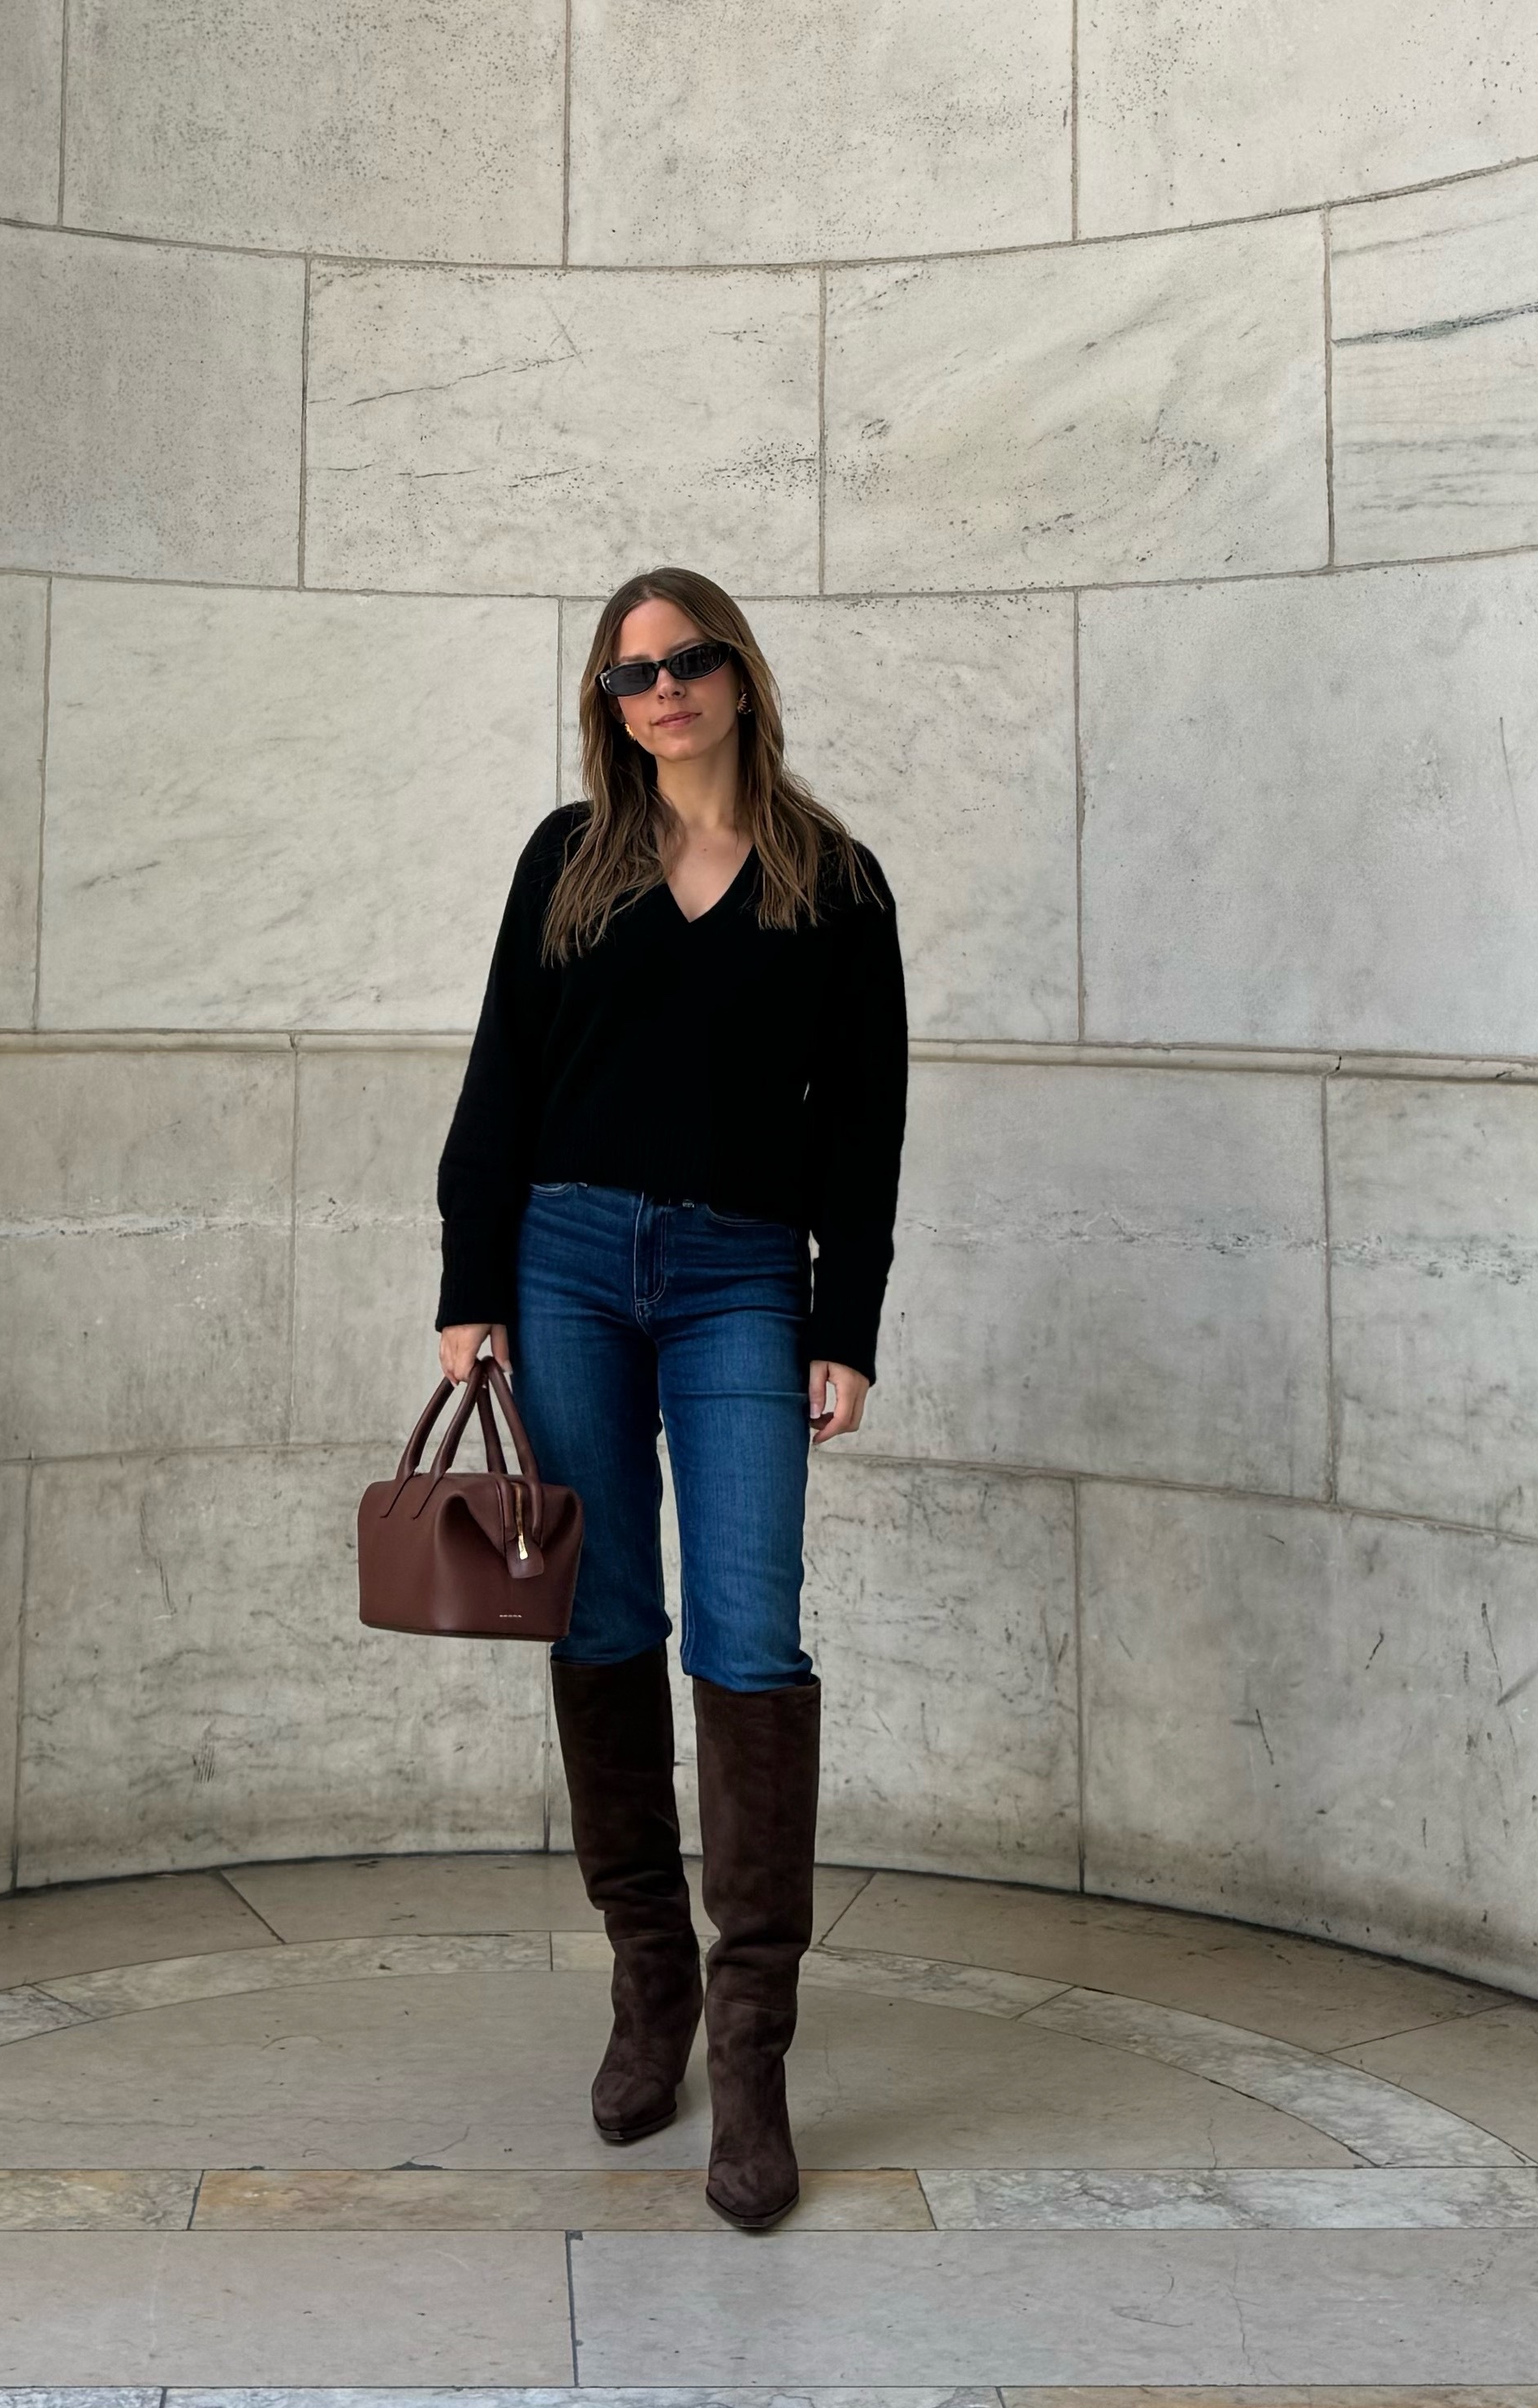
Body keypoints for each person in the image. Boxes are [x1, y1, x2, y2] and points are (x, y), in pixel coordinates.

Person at [434, 564, 908, 2230]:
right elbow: (499, 1078)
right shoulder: (567, 866)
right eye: (632, 672)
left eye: (688, 660)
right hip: (562, 1263)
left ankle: (757, 2048)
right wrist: (466, 1288)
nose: (663, 691)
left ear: (737, 677)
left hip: (736, 1284)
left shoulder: (831, 882)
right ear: (607, 701)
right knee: (599, 1617)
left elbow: (861, 1122)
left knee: (749, 1634)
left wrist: (840, 1318)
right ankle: (653, 1988)